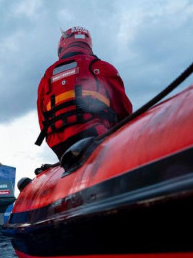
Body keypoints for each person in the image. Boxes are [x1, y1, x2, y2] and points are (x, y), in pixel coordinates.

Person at [36, 26, 133, 159]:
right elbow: (124, 109)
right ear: (88, 45)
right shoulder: (101, 67)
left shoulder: (46, 77)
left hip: (58, 144)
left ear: (61, 48)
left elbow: (42, 119)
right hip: (94, 133)